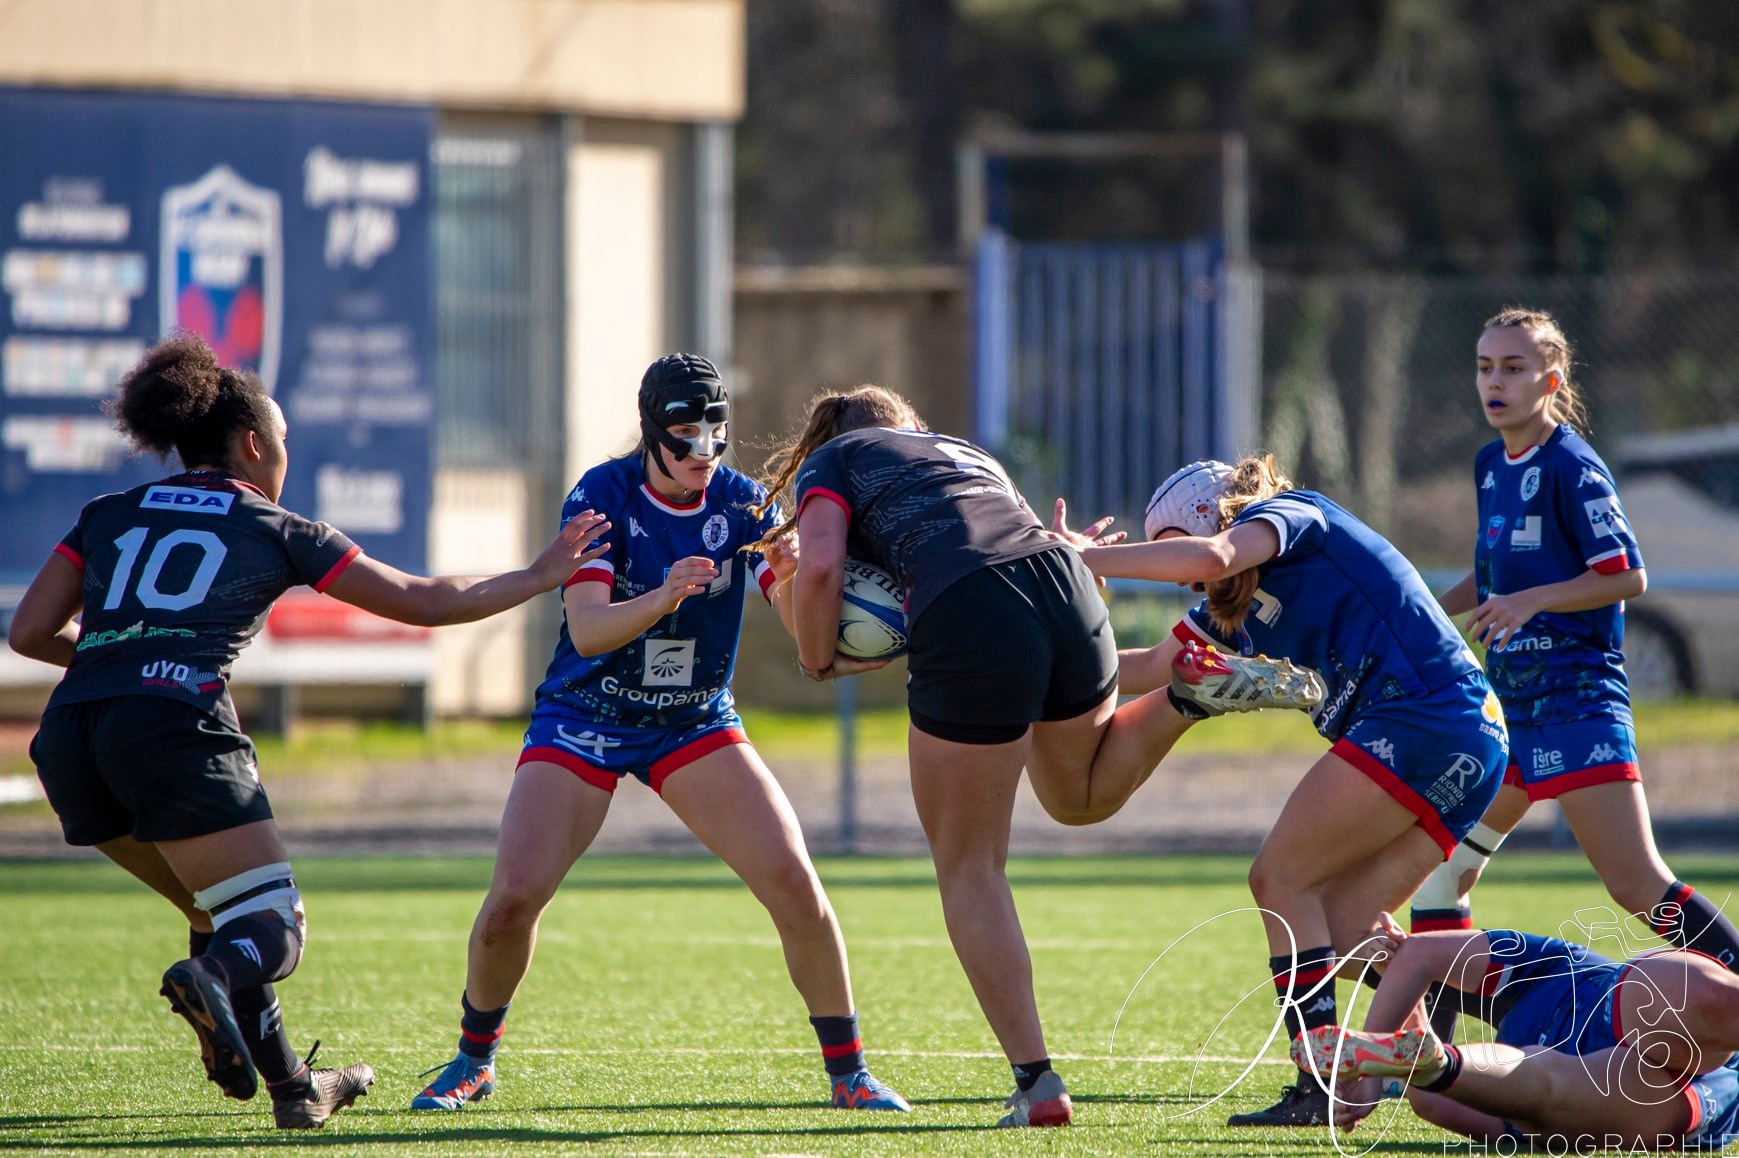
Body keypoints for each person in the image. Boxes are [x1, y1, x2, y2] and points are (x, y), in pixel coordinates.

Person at [6, 334, 610, 1129]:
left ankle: (295, 1088)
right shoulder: (274, 524)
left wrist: (119, 658)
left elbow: (27, 633)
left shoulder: (107, 514)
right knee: (273, 927)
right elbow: (425, 599)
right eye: (282, 440)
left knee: (215, 911)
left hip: (72, 733)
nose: (285, 454)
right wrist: (538, 574)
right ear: (254, 444)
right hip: (171, 723)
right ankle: (213, 980)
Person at [751, 386, 1310, 1127]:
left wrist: (816, 661)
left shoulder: (836, 460)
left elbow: (821, 568)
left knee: (969, 866)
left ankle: (1037, 1082)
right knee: (1076, 798)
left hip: (969, 600)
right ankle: (1184, 694)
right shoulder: (961, 451)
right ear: (913, 424)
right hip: (1065, 578)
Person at [411, 355, 907, 1115]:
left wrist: (810, 590)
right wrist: (668, 591)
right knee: (513, 899)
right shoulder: (601, 495)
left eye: (715, 433)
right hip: (587, 717)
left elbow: (792, 616)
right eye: (684, 436)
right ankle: (473, 1062)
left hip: (693, 720)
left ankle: (849, 1074)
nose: (703, 452)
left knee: (794, 884)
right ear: (650, 433)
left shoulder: (745, 506)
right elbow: (586, 629)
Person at [1064, 455, 1509, 1127]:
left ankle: (1319, 1078)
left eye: (1170, 547)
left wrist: (1087, 558)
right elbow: (1153, 666)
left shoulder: (1295, 515)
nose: (1178, 569)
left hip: (1424, 717)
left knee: (1279, 879)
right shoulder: (1233, 599)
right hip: (1466, 736)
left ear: (1209, 515)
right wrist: (1037, 662)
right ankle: (1449, 1044)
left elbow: (1213, 555)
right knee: (1344, 926)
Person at [1410, 307, 1739, 1013]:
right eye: (1483, 366)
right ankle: (1426, 1056)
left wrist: (1531, 601)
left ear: (1550, 380)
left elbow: (1625, 575)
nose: (1493, 381)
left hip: (1574, 704)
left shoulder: (1571, 466)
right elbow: (1489, 575)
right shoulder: (1489, 464)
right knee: (1441, 877)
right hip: (1511, 711)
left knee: (1634, 885)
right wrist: (1416, 622)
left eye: (1512, 367)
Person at [1299, 913, 1739, 1151]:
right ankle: (1436, 1063)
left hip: (1599, 1007)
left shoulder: (1551, 964)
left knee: (1539, 1092)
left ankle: (1436, 1062)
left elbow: (1417, 955)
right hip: (1678, 1069)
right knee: (1543, 1096)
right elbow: (1419, 957)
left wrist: (1370, 1078)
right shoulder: (1556, 962)